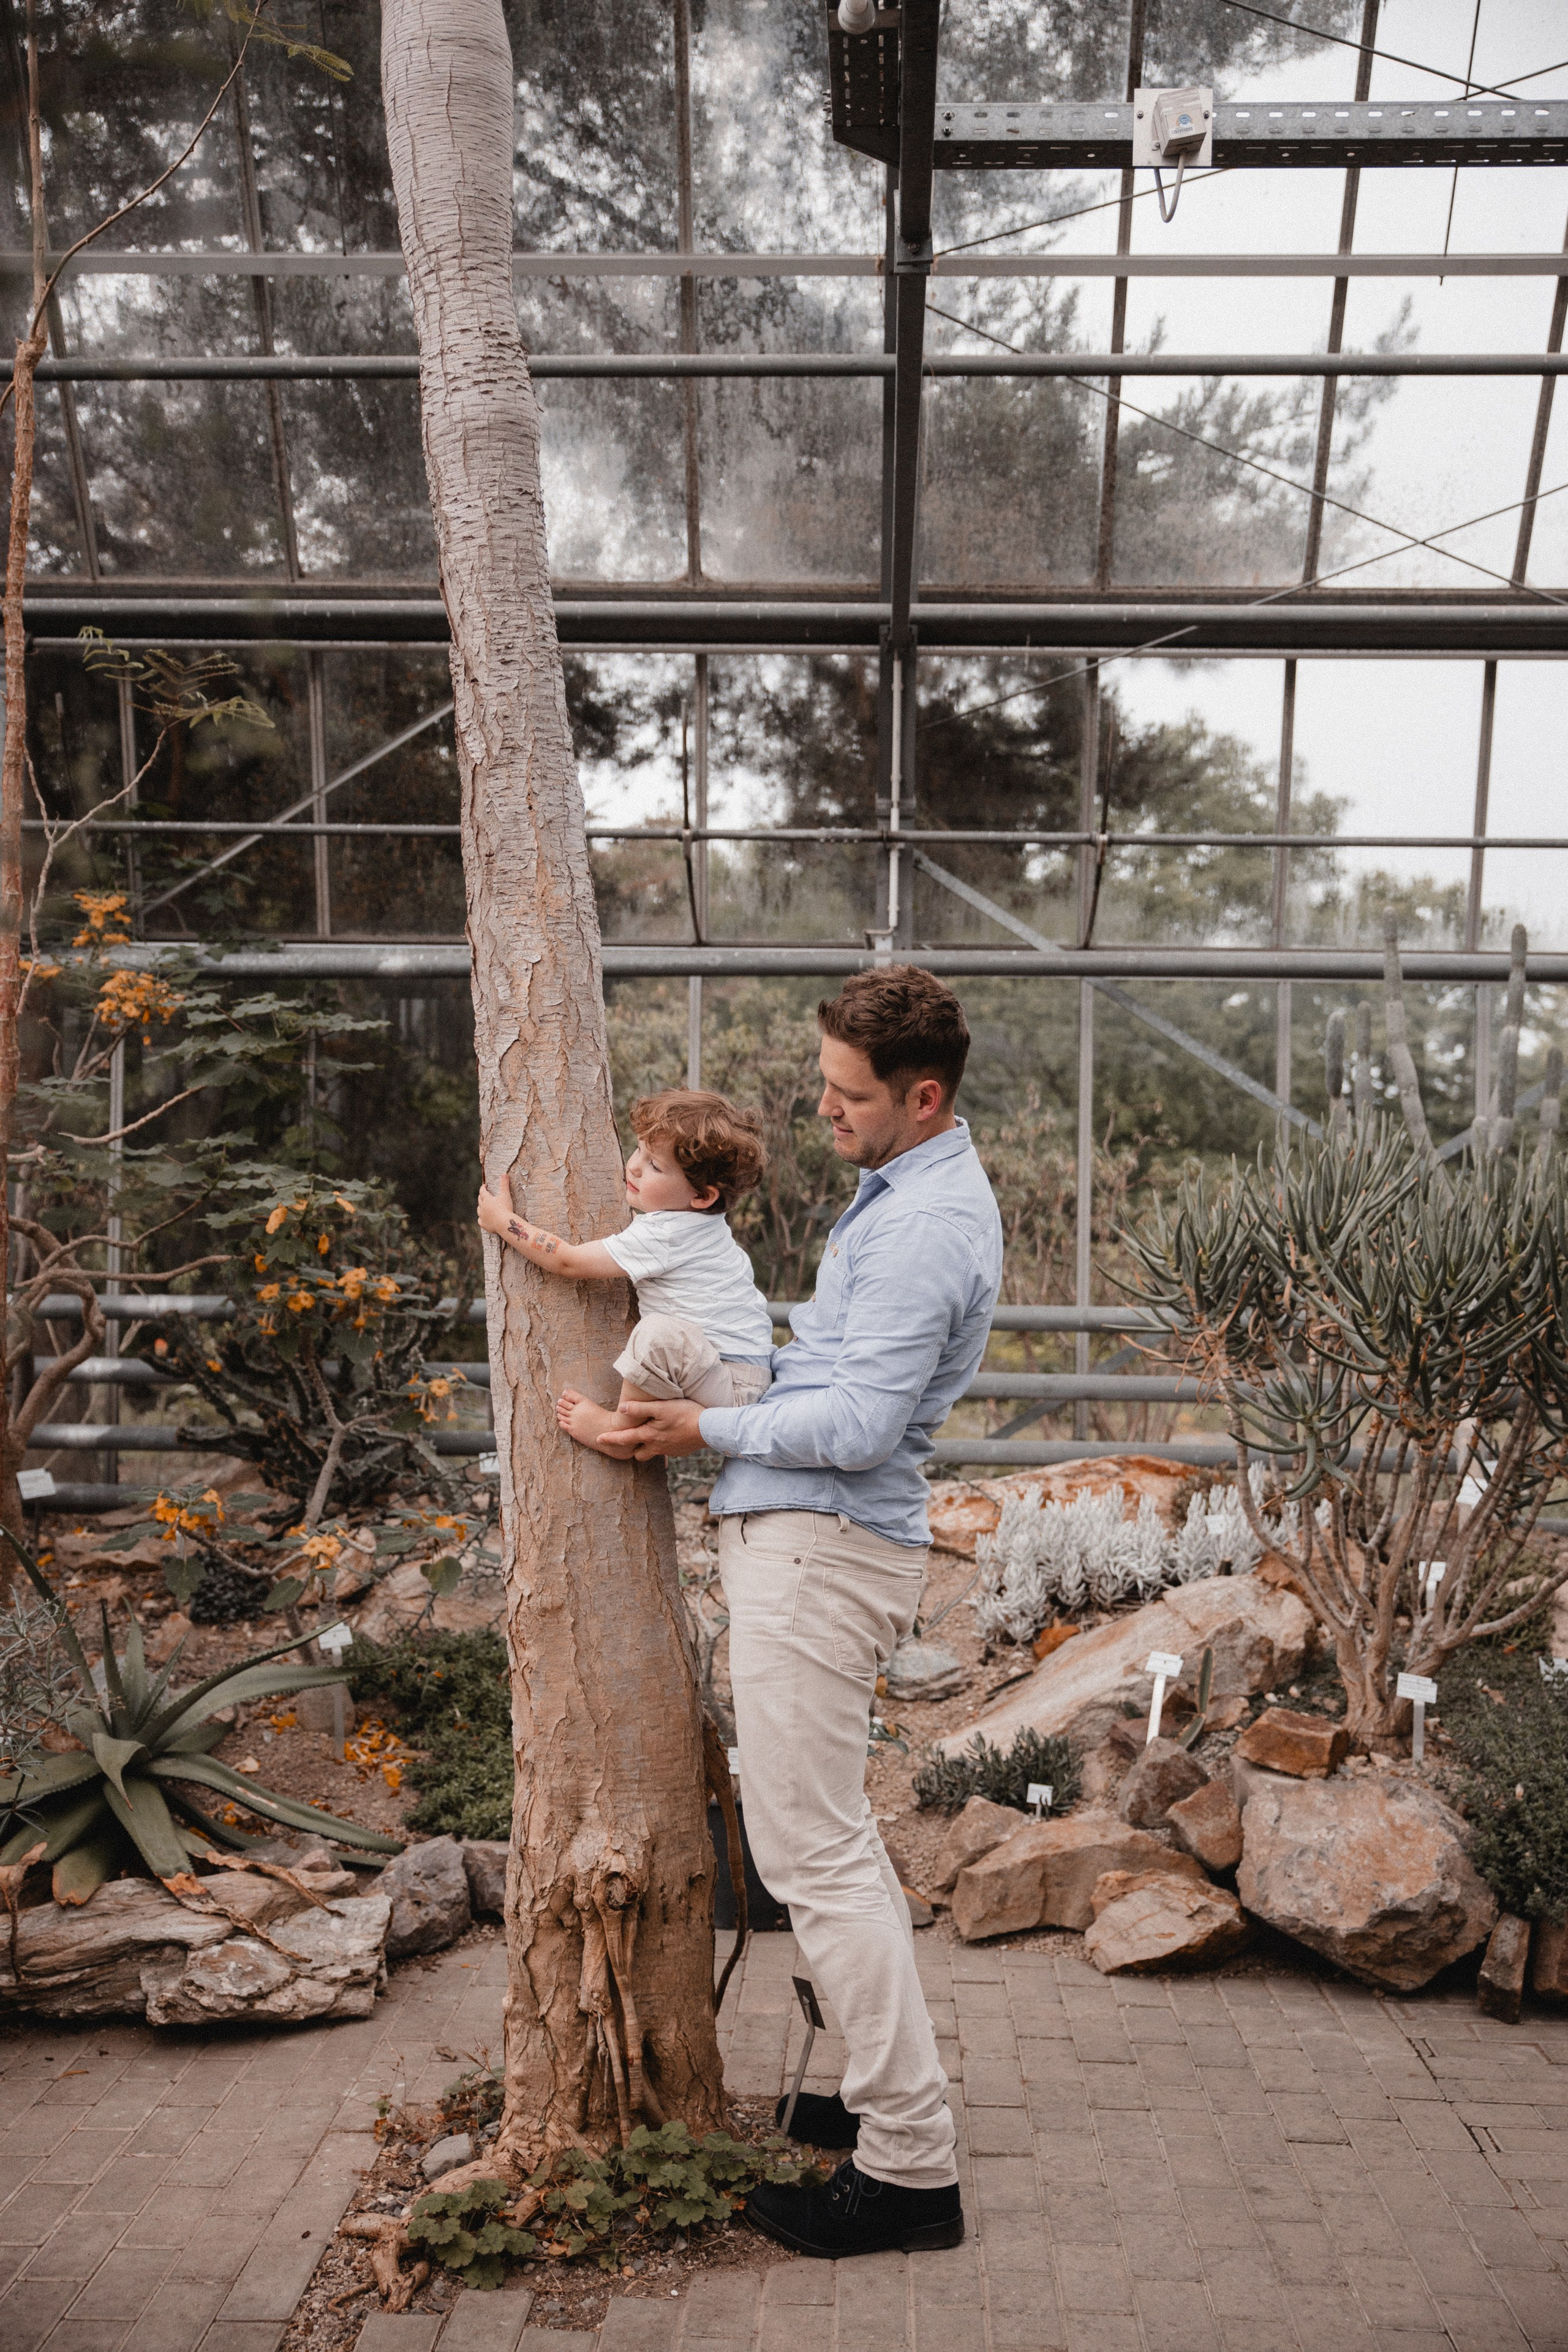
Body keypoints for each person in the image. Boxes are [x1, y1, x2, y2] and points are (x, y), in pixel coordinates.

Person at [594, 965, 1003, 2260]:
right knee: (832, 1846)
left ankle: (907, 2172)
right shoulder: (898, 1200)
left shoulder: (925, 1226)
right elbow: (827, 1376)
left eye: (845, 1093)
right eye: (822, 1081)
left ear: (920, 1096)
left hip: (821, 1552)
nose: (821, 1110)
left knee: (812, 1859)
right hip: (815, 1544)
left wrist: (698, 1421)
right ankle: (864, 2101)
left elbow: (858, 1423)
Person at [475, 1087, 774, 1447]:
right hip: (735, 1378)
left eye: (655, 1166)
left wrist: (502, 1220)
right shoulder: (703, 1227)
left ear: (702, 1197)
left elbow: (568, 1261)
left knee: (658, 1334)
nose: (633, 1165)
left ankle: (618, 1431)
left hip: (733, 1387)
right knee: (663, 1335)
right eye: (639, 1151)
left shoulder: (665, 1234)